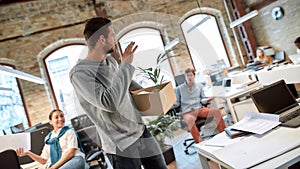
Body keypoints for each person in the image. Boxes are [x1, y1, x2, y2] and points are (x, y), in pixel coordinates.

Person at [69, 17, 167, 169]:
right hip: (120, 145)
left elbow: (126, 86)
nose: (115, 39)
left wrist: (153, 94)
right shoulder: (80, 73)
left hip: (140, 131)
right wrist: (126, 65)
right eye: (112, 35)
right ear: (102, 39)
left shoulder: (111, 61)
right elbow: (109, 102)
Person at [16, 109, 88, 169]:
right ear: (51, 122)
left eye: (62, 116)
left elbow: (71, 153)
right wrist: (28, 153)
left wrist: (53, 168)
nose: (60, 119)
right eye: (56, 117)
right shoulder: (49, 139)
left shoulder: (69, 132)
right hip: (59, 165)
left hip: (74, 159)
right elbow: (43, 160)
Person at [173, 68, 226, 143]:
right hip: (187, 112)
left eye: (190, 75)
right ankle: (199, 142)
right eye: (187, 76)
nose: (189, 77)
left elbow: (202, 100)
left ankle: (223, 133)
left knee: (216, 111)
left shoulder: (199, 86)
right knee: (190, 120)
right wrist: (168, 106)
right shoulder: (178, 89)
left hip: (199, 109)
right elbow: (177, 104)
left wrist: (207, 100)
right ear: (185, 77)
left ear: (194, 76)